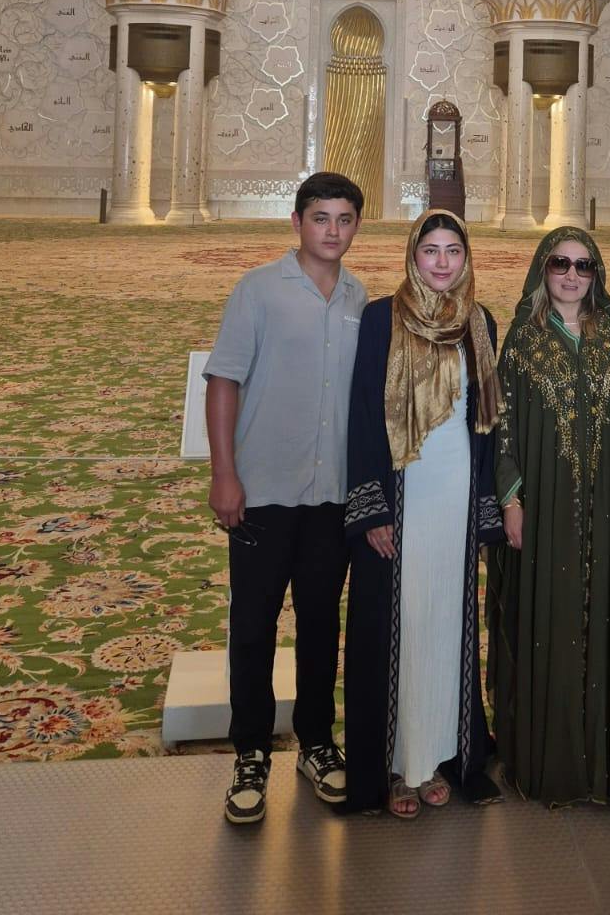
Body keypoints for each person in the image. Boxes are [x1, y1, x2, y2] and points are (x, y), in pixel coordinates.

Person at [204, 171, 367, 826]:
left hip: (331, 497)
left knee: (323, 624)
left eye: (345, 219)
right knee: (253, 627)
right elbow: (223, 383)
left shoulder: (360, 298)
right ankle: (250, 752)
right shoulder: (258, 292)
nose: (332, 230)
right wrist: (225, 474)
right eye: (320, 217)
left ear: (357, 226)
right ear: (297, 223)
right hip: (264, 493)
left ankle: (316, 742)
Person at [342, 209, 504, 817]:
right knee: (397, 624)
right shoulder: (381, 318)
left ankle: (439, 756)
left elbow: (487, 425)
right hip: (401, 495)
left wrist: (485, 507)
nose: (441, 262)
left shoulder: (480, 323)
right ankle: (394, 765)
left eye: (452, 250)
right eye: (430, 250)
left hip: (454, 499)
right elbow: (362, 415)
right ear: (413, 255)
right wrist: (373, 508)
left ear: (466, 258)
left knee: (446, 621)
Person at [488, 229, 610, 809]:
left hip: (609, 502)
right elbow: (501, 423)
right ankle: (549, 763)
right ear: (543, 268)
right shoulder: (523, 340)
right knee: (549, 622)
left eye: (584, 266)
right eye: (560, 263)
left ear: (597, 273)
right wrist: (511, 499)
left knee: (605, 616)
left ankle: (605, 765)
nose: (571, 275)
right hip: (547, 507)